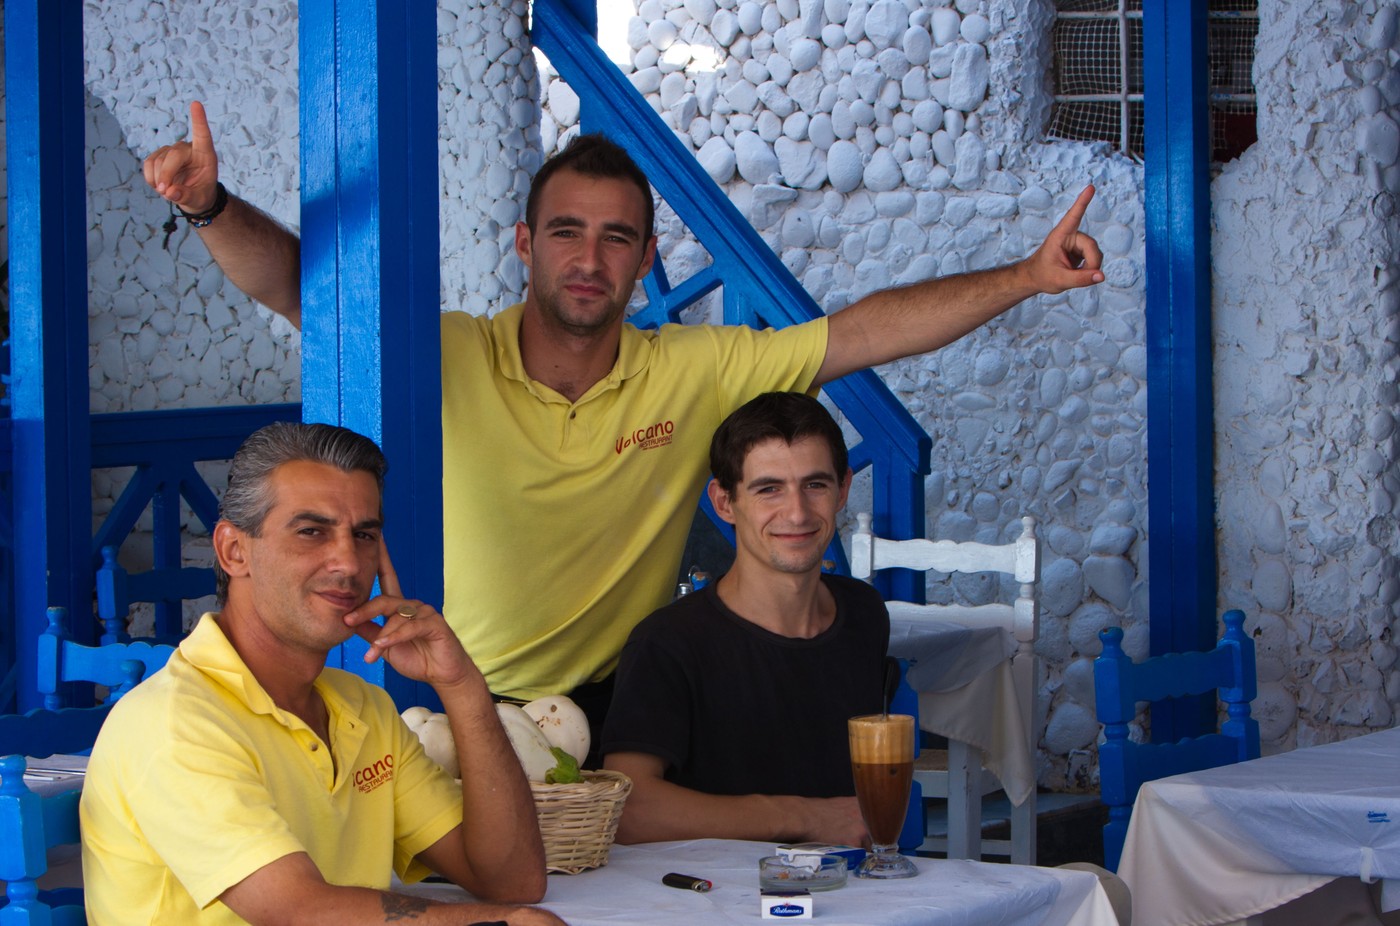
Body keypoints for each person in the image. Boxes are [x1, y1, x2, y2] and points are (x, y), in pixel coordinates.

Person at [142, 101, 1103, 734]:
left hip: (619, 709)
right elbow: (304, 293)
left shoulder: (689, 368)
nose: (588, 259)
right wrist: (211, 206)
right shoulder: (451, 352)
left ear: (645, 261)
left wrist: (1025, 276)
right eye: (566, 232)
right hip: (449, 695)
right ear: (525, 245)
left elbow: (860, 334)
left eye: (616, 239)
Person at [79, 422, 564, 926]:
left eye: (364, 535)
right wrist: (504, 923)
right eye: (312, 532)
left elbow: (512, 880)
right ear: (233, 551)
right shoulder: (171, 722)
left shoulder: (362, 708)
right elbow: (299, 910)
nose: (348, 563)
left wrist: (461, 686)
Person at [600, 392, 886, 846]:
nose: (797, 512)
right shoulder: (667, 643)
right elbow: (628, 809)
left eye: (815, 484)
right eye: (768, 489)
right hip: (711, 887)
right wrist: (805, 817)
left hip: (846, 881)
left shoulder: (864, 614)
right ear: (724, 502)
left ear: (843, 489)